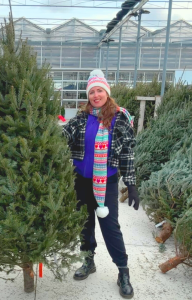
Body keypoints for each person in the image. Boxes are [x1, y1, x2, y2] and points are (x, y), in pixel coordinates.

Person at [62, 69, 140, 299]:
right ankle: (88, 261)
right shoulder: (80, 118)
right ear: (88, 96)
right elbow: (62, 137)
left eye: (99, 91)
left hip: (106, 183)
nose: (96, 95)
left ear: (106, 92)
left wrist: (131, 184)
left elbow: (127, 154)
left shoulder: (119, 118)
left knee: (110, 228)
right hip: (80, 181)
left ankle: (123, 272)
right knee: (84, 224)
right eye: (92, 92)